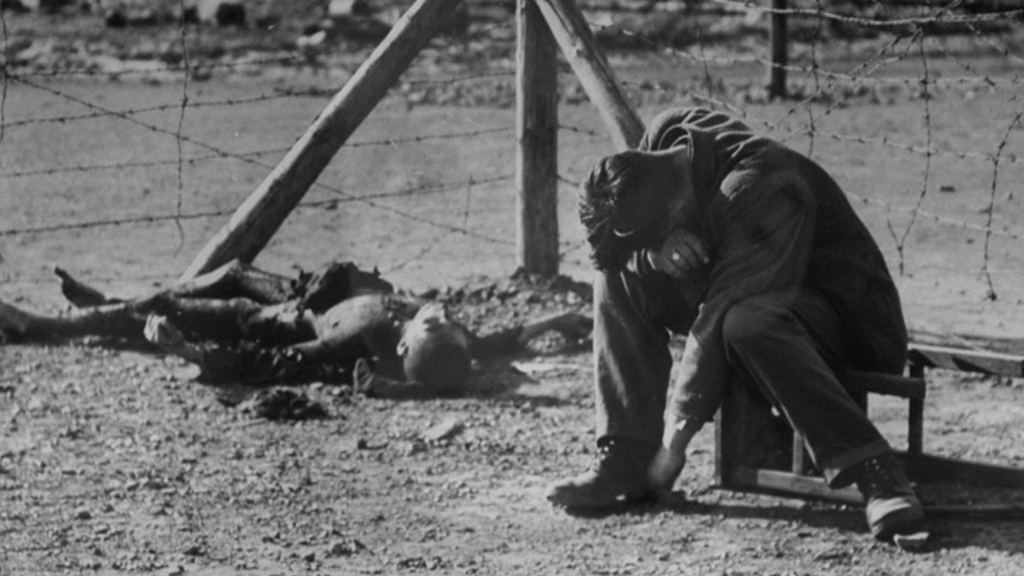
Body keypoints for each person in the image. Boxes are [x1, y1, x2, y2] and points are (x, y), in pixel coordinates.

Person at [547, 106, 923, 542]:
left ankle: (878, 474)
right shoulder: (668, 139)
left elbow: (717, 314)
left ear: (676, 206)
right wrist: (652, 252)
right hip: (768, 298)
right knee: (616, 278)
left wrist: (673, 447)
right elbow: (624, 255)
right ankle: (625, 458)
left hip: (851, 323)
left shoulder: (756, 185)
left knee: (745, 321)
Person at [0, 261, 592, 399]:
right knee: (229, 271)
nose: (440, 314)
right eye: (445, 322)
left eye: (433, 324)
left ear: (404, 345)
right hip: (299, 295)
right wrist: (558, 319)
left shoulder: (350, 343)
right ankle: (109, 307)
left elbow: (274, 365)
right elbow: (500, 340)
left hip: (261, 320)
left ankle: (40, 325)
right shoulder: (447, 339)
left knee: (162, 311)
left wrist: (188, 352)